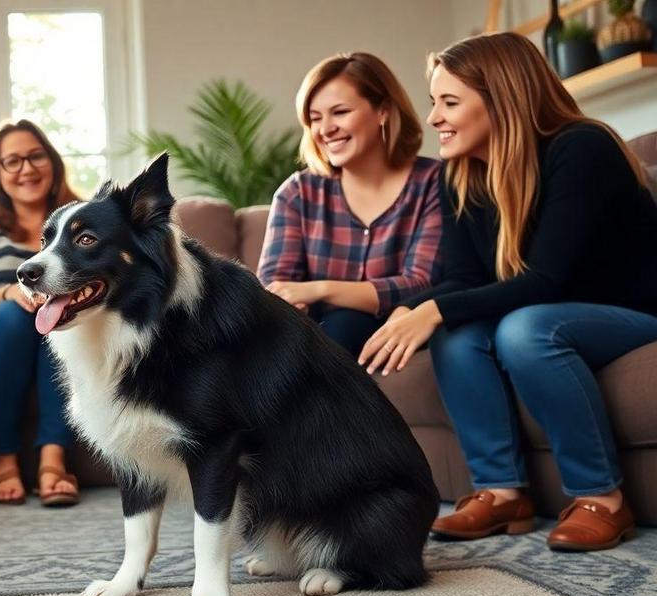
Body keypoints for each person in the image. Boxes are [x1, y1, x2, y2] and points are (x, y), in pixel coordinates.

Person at [359, 32, 657, 551]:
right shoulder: (459, 176)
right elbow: (466, 283)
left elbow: (546, 281)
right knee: (456, 333)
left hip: (633, 312)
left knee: (526, 329)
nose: (434, 119)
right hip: (556, 312)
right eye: (435, 102)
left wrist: (432, 308)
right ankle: (501, 494)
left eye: (450, 102)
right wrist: (411, 312)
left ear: (503, 99)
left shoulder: (582, 148)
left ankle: (602, 499)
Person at [258, 52, 442, 357]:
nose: (325, 129)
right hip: (327, 331)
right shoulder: (297, 193)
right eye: (315, 118)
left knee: (346, 324)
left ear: (383, 110)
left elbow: (420, 282)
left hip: (408, 325)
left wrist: (319, 289)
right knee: (342, 324)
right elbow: (277, 289)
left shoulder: (433, 182)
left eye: (339, 112)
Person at [0, 119, 80, 506]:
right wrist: (9, 292)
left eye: (35, 156)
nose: (27, 168)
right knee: (14, 316)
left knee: (61, 324)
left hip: (57, 330)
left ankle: (52, 460)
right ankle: (2, 459)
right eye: (12, 161)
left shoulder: (77, 223)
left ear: (52, 161)